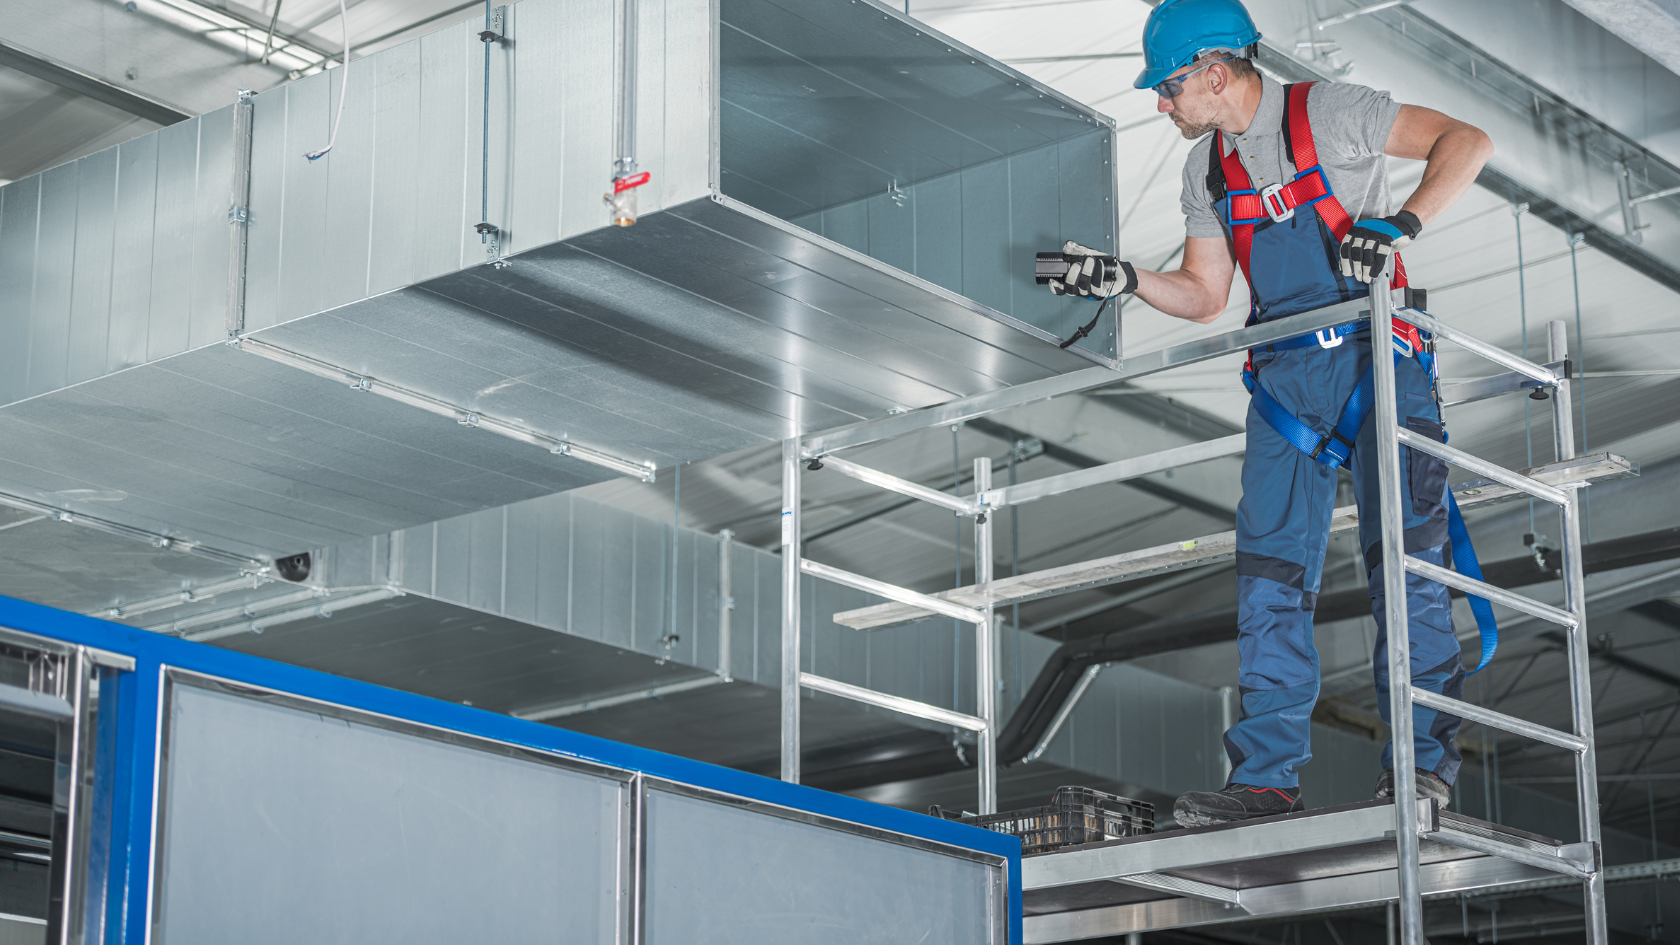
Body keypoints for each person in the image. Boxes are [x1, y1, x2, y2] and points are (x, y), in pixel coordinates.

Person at [1055, 0, 1495, 826]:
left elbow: (1467, 141)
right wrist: (1124, 280)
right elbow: (1207, 294)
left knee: (1406, 568)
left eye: (1169, 87)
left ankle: (1420, 768)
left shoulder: (1330, 111)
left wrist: (1400, 223)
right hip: (1285, 383)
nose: (1162, 103)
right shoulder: (1207, 171)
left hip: (1378, 362)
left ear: (1214, 74)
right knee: (1267, 581)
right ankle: (1265, 780)